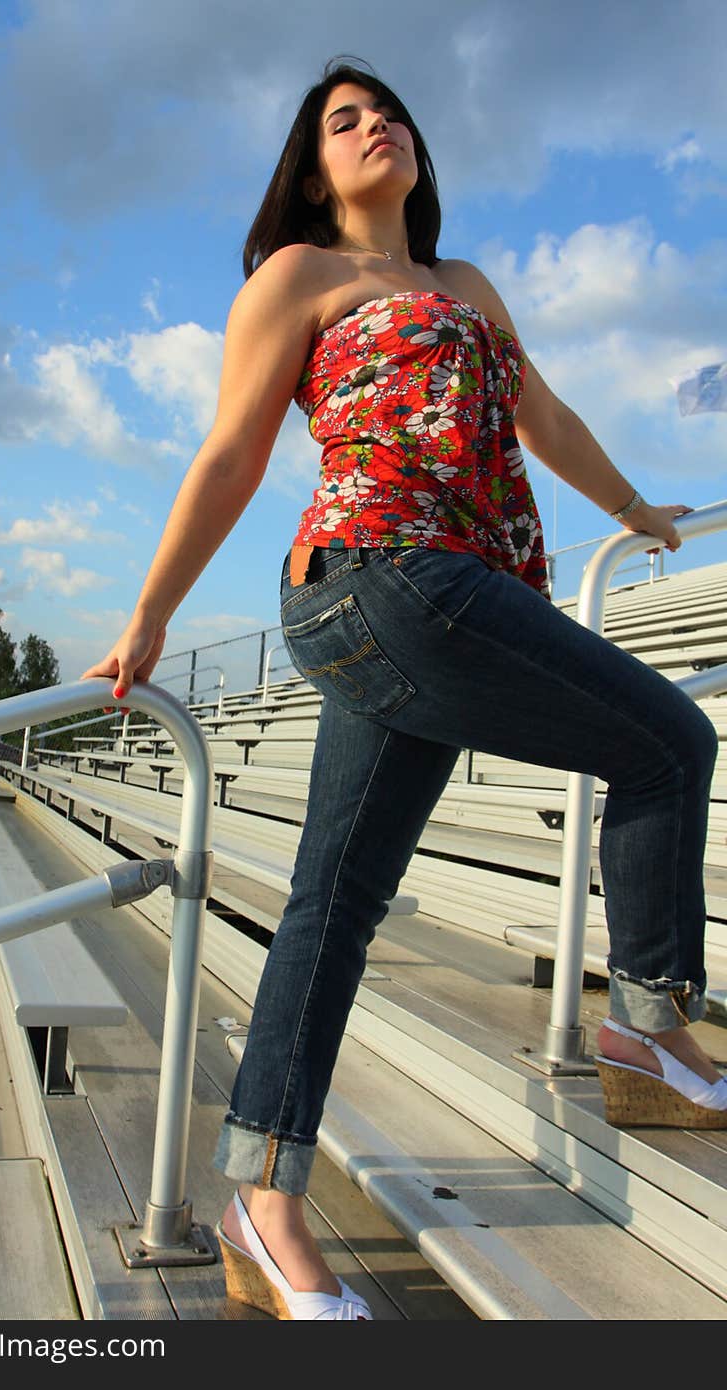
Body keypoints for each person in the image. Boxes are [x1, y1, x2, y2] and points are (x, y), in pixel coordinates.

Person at [81, 57, 723, 1320]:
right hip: (376, 574)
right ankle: (647, 1023)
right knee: (664, 740)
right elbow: (232, 451)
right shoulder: (298, 280)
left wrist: (636, 509)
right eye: (343, 121)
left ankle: (259, 1208)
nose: (375, 128)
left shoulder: (466, 286)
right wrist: (151, 611)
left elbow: (540, 413)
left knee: (333, 903)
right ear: (315, 170)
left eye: (388, 114)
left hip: (453, 596)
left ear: (419, 152)